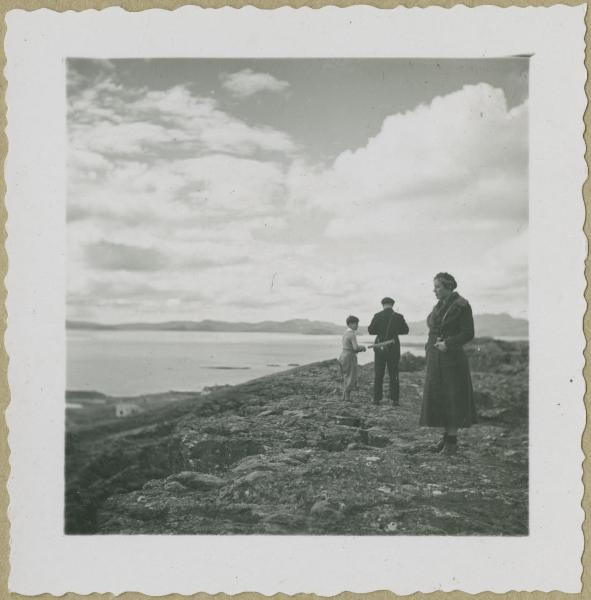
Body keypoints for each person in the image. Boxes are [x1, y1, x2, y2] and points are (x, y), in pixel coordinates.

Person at [420, 272, 477, 455]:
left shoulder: (462, 306)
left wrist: (448, 344)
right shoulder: (439, 305)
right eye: (434, 286)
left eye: (437, 286)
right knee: (441, 397)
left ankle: (452, 443)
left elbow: (468, 333)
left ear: (448, 287)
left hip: (452, 359)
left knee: (453, 399)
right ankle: (446, 438)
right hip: (436, 358)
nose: (434, 290)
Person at [368, 297, 409, 405]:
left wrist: (380, 331)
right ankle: (395, 400)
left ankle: (376, 399)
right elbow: (406, 330)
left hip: (380, 347)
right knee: (394, 374)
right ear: (392, 305)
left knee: (378, 373)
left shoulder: (377, 316)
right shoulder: (398, 317)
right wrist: (395, 330)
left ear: (383, 305)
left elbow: (371, 331)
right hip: (394, 347)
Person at [338, 315, 366, 401]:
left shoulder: (345, 333)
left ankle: (343, 396)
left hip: (343, 355)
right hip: (350, 357)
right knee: (351, 376)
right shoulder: (352, 334)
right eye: (355, 324)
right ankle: (347, 397)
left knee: (345, 376)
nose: (357, 325)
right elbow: (355, 348)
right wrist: (362, 347)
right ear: (350, 324)